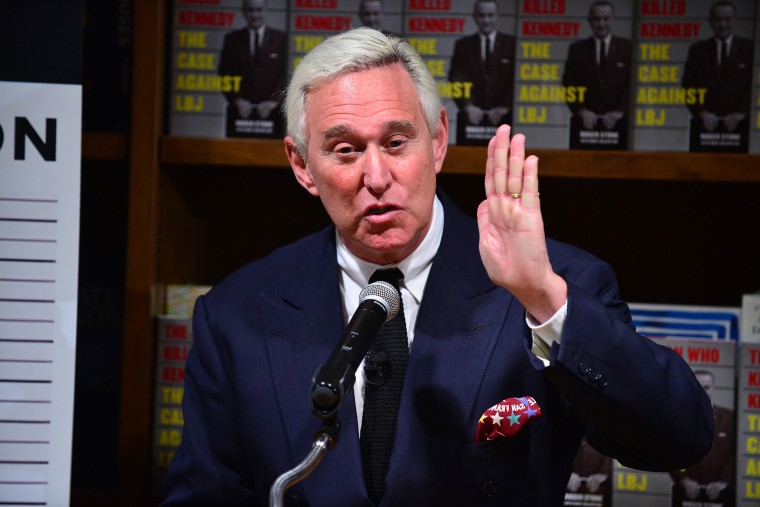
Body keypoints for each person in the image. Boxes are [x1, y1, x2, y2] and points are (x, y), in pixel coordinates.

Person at [161, 27, 713, 506]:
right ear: (303, 165)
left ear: (439, 141)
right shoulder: (235, 315)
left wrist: (546, 299)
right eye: (346, 150)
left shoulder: (554, 284)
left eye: (397, 142)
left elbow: (680, 438)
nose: (376, 177)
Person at [682, 0, 753, 149]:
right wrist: (701, 112)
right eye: (718, 19)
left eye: (727, 19)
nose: (722, 25)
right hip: (705, 127)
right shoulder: (697, 51)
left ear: (734, 20)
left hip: (740, 126)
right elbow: (689, 85)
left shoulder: (750, 49)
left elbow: (753, 84)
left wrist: (742, 113)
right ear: (710, 21)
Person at [561, 1, 631, 146]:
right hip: (585, 124)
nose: (601, 24)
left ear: (612, 19)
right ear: (589, 21)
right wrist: (581, 110)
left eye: (605, 19)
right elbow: (569, 84)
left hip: (619, 124)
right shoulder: (577, 50)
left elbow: (633, 84)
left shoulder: (628, 48)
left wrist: (621, 111)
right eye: (597, 19)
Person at [448, 0, 515, 145]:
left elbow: (516, 79)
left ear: (497, 16)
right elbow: (456, 78)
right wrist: (467, 105)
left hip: (504, 119)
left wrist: (506, 106)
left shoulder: (512, 44)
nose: (486, 20)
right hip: (471, 121)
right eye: (482, 15)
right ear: (474, 17)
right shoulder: (463, 46)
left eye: (490, 15)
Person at [217, 0, 287, 137]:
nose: (255, 15)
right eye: (250, 10)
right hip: (239, 114)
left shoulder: (281, 39)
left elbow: (286, 73)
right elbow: (224, 73)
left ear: (265, 10)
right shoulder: (231, 40)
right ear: (243, 11)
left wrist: (273, 101)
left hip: (272, 114)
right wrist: (236, 99)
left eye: (259, 10)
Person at [670, 370, 735, 506]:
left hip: (722, 492)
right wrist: (683, 478)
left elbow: (733, 453)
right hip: (685, 491)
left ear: (713, 389)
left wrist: (723, 481)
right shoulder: (678, 417)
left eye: (706, 387)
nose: (702, 391)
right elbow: (673, 452)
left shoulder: (729, 418)